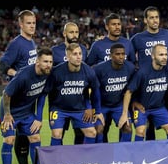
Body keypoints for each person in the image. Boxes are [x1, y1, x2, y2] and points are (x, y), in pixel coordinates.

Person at [0, 47, 53, 164]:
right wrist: (7, 114)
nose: (48, 64)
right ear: (37, 62)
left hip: (27, 113)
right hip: (11, 113)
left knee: (35, 137)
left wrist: (38, 118)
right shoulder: (24, 76)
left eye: (50, 62)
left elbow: (42, 95)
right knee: (9, 139)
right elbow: (6, 94)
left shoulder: (48, 74)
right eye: (45, 61)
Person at [0, 10, 37, 164]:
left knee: (28, 136)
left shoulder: (32, 43)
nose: (32, 26)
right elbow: (3, 65)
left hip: (28, 100)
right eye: (28, 23)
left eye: (34, 23)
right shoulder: (17, 44)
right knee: (13, 138)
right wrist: (18, 75)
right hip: (14, 100)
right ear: (21, 24)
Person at [119, 44, 168, 141]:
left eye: (165, 55)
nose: (164, 57)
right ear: (153, 56)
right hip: (142, 108)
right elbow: (129, 92)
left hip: (159, 108)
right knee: (140, 131)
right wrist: (124, 114)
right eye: (161, 55)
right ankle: (138, 154)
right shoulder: (142, 72)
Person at [130, 6, 168, 140]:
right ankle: (145, 155)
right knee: (145, 125)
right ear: (145, 20)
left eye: (156, 17)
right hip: (144, 86)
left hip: (163, 84)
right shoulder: (137, 38)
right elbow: (129, 59)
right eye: (151, 18)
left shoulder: (167, 35)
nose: (155, 20)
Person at [41, 43, 104, 145]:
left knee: (91, 132)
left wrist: (95, 110)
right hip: (59, 109)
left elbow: (95, 91)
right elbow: (44, 94)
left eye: (80, 53)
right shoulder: (56, 72)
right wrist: (39, 117)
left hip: (80, 110)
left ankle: (85, 159)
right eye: (75, 54)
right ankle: (54, 159)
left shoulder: (89, 71)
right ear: (67, 57)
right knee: (57, 134)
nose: (78, 56)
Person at [86, 13, 135, 142]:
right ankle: (101, 158)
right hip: (101, 99)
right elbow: (87, 67)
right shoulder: (98, 45)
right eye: (113, 24)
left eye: (119, 24)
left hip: (120, 98)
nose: (117, 27)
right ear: (107, 26)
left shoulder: (127, 43)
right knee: (102, 129)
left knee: (125, 127)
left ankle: (123, 158)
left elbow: (133, 66)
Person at [51, 22, 88, 144]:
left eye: (76, 32)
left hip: (78, 99)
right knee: (59, 133)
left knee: (80, 132)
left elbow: (88, 69)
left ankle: (77, 159)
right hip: (59, 101)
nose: (74, 35)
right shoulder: (55, 51)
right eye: (71, 32)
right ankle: (59, 160)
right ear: (64, 33)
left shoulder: (83, 50)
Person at [93, 43, 136, 142]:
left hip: (119, 105)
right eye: (117, 54)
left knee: (128, 128)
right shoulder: (99, 69)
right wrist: (97, 110)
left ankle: (122, 155)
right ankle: (100, 154)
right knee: (98, 130)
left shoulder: (130, 68)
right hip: (102, 105)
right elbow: (94, 90)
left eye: (123, 54)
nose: (121, 57)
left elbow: (133, 89)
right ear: (110, 55)